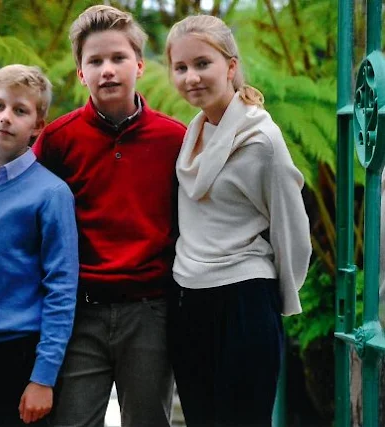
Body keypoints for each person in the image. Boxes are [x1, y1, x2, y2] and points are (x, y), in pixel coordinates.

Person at [32, 5, 186, 427]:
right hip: (80, 312)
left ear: (138, 64)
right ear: (81, 73)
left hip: (150, 310)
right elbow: (23, 203)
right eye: (95, 61)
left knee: (149, 420)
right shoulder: (58, 140)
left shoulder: (176, 139)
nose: (108, 70)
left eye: (118, 58)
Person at [165, 15, 312, 427]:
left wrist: (274, 298)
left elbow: (292, 230)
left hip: (245, 300)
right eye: (181, 67)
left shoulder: (262, 140)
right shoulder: (192, 136)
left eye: (202, 64)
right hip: (188, 298)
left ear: (230, 66)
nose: (191, 77)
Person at [0, 64, 79, 427]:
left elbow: (62, 289)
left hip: (19, 355)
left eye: (20, 111)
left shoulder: (52, 194)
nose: (6, 117)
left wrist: (43, 377)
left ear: (37, 125)